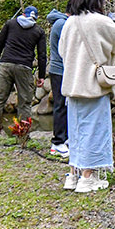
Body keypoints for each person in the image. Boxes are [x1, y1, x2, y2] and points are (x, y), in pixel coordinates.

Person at [58, 0, 115, 193]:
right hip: (93, 86)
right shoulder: (101, 21)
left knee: (76, 131)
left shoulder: (69, 23)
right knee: (94, 131)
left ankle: (73, 175)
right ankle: (88, 178)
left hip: (72, 85)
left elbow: (63, 52)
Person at [0, 5, 46, 147]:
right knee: (24, 102)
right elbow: (42, 55)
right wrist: (41, 76)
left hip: (6, 64)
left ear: (23, 14)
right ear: (35, 18)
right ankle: (22, 136)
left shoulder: (10, 24)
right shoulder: (38, 31)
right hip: (24, 68)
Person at [45, 8, 69, 158]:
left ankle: (65, 139)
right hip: (59, 70)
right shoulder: (61, 24)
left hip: (62, 70)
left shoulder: (61, 22)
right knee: (60, 105)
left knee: (65, 105)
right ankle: (57, 142)